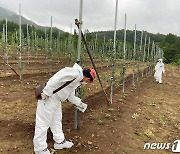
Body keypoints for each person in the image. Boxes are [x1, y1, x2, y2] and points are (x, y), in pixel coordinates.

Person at [33, 63, 96, 154]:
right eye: (89, 82)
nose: (87, 83)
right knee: (43, 123)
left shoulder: (76, 81)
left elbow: (70, 96)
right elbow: (57, 78)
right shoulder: (75, 73)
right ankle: (40, 149)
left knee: (56, 120)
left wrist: (80, 104)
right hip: (49, 98)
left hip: (56, 100)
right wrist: (46, 92)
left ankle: (60, 142)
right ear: (88, 78)